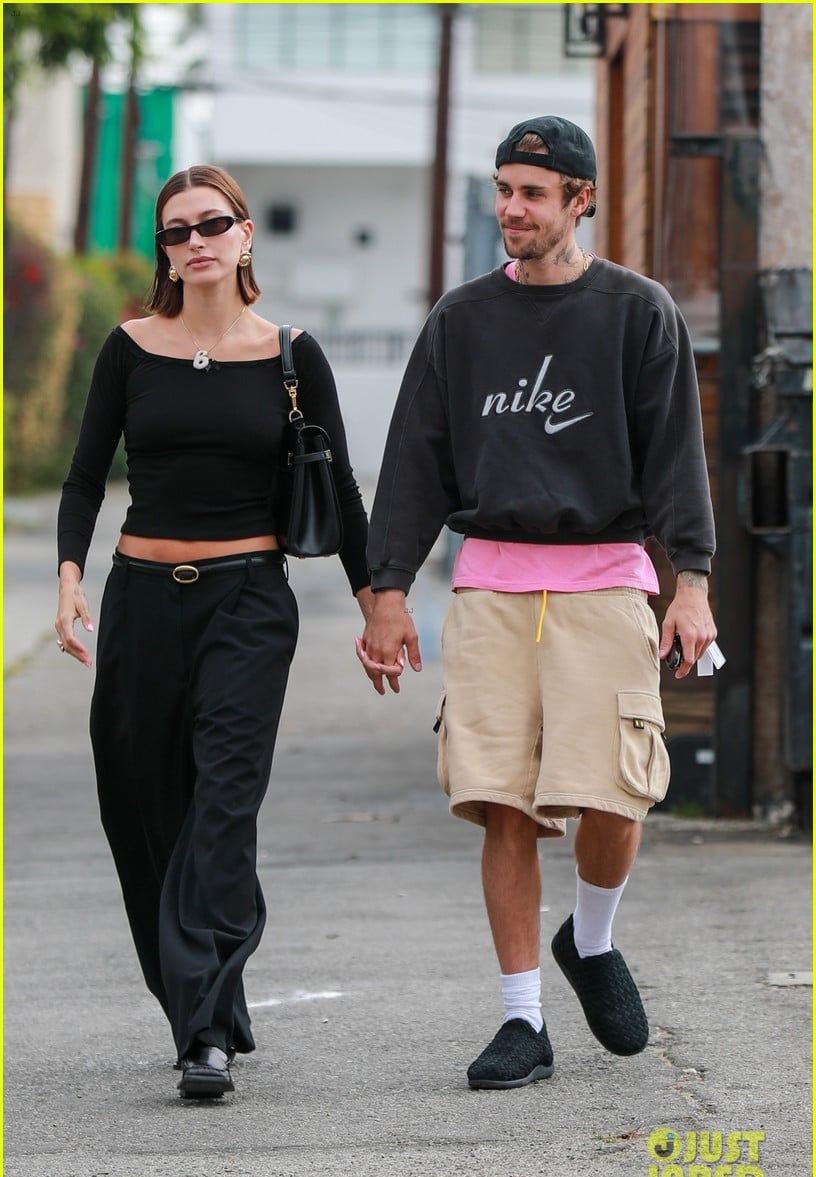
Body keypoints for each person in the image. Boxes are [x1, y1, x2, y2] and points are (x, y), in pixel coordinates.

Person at [357, 116, 717, 1089]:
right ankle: (524, 1017)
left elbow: (678, 458)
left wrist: (694, 587)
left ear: (579, 201)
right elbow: (414, 463)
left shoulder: (638, 313)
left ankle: (591, 940)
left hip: (607, 578)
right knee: (499, 801)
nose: (511, 208)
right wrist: (387, 589)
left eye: (532, 192)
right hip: (491, 583)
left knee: (615, 791)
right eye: (503, 189)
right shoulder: (461, 321)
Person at [55, 165, 373, 1100]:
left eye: (212, 224)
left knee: (223, 806)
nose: (193, 242)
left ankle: (203, 1035)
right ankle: (208, 995)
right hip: (143, 601)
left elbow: (343, 490)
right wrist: (72, 579)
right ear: (165, 250)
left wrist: (377, 599)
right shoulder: (129, 348)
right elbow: (82, 479)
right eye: (175, 231)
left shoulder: (291, 355)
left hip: (248, 601)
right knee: (143, 808)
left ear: (244, 236)